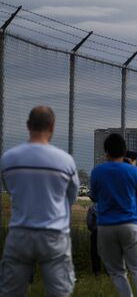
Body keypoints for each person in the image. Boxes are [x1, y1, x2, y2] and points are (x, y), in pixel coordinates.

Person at [0, 106, 80, 296]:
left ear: (28, 125)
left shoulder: (8, 159)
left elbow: (10, 189)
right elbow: (71, 196)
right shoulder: (65, 161)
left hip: (20, 232)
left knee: (10, 290)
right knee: (59, 291)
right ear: (52, 126)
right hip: (54, 234)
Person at [90, 134, 137, 297]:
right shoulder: (133, 171)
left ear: (106, 152)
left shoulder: (97, 172)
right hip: (129, 224)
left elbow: (94, 196)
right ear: (124, 151)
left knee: (117, 272)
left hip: (105, 226)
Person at [86, 202, 103, 275]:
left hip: (97, 230)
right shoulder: (110, 205)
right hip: (108, 229)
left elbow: (89, 222)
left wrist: (93, 229)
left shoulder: (92, 208)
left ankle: (96, 270)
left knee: (95, 251)